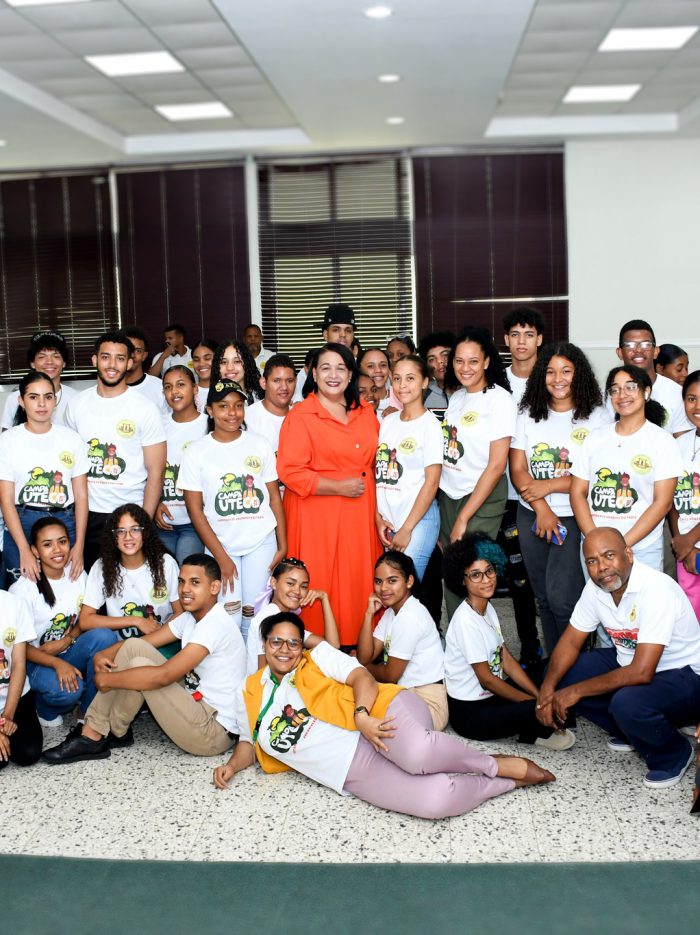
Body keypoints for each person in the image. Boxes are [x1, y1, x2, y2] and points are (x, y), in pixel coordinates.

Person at [212, 612, 555, 817]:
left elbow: (362, 677)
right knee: (435, 801)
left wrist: (362, 716)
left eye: (293, 643)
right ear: (264, 644)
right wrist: (232, 766)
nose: (285, 650)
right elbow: (249, 741)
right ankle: (505, 783)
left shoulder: (318, 658)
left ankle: (494, 765)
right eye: (276, 642)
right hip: (349, 770)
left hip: (381, 712)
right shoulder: (248, 691)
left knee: (418, 755)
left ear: (302, 647)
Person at [42, 554, 246, 764]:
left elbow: (164, 676)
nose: (185, 589)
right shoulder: (190, 618)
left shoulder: (214, 625)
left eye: (195, 583)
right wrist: (103, 654)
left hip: (213, 732)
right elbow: (143, 643)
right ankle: (111, 731)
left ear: (214, 587)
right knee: (134, 647)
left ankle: (94, 735)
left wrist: (107, 680)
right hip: (196, 703)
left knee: (142, 667)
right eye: (181, 582)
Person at [537, 527, 700, 788]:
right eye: (592, 561)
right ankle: (631, 731)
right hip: (633, 663)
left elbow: (642, 672)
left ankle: (674, 754)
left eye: (609, 555)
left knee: (626, 703)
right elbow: (570, 641)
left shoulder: (656, 589)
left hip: (685, 676)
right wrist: (547, 690)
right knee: (558, 674)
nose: (602, 567)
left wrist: (575, 692)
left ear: (629, 555)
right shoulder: (596, 589)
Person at [277, 343, 382, 648]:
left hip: (359, 512)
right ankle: (318, 648)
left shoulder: (366, 412)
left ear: (350, 374)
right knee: (320, 577)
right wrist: (338, 486)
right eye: (325, 368)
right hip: (315, 513)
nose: (333, 375)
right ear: (313, 374)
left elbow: (379, 461)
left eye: (340, 368)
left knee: (356, 580)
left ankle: (357, 648)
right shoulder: (300, 415)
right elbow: (290, 471)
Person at [511, 342, 609, 653]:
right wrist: (541, 508)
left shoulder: (597, 417)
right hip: (532, 515)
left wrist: (549, 486)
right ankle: (555, 664)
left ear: (579, 374)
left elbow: (598, 473)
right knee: (542, 596)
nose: (558, 379)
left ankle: (574, 666)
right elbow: (517, 468)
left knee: (563, 599)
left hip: (574, 515)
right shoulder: (527, 414)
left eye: (566, 371)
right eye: (551, 372)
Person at [442, 533, 575, 749]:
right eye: (476, 575)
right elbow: (488, 680)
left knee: (552, 670)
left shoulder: (487, 607)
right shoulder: (465, 621)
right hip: (471, 714)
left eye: (489, 571)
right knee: (539, 706)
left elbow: (506, 659)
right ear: (461, 580)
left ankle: (538, 721)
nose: (486, 579)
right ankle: (537, 726)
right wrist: (535, 703)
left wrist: (538, 695)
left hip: (491, 697)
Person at [179, 380, 286, 639]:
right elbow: (195, 510)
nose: (232, 412)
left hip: (261, 541)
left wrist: (283, 544)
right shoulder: (196, 451)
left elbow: (274, 498)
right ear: (209, 410)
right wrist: (221, 557)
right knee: (228, 617)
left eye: (238, 406)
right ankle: (231, 664)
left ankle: (253, 665)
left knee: (255, 615)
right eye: (223, 406)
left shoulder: (259, 444)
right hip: (221, 545)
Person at [65, 330, 166, 570]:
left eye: (120, 358)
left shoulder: (145, 408)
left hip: (130, 513)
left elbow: (156, 471)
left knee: (129, 583)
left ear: (130, 362)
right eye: (105, 357)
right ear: (95, 360)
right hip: (87, 513)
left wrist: (143, 523)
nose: (112, 365)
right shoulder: (77, 405)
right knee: (90, 582)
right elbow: (70, 465)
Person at [570, 365, 682, 572]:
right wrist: (596, 540)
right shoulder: (595, 438)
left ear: (646, 392)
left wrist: (620, 545)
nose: (622, 395)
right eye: (615, 389)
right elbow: (577, 492)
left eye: (630, 387)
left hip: (642, 548)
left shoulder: (662, 441)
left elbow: (663, 503)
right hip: (595, 549)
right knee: (599, 595)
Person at [439, 326, 516, 619]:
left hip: (482, 495)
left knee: (473, 571)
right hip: (449, 493)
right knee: (453, 572)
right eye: (459, 361)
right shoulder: (457, 398)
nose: (465, 368)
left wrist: (463, 518)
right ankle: (458, 640)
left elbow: (496, 466)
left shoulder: (499, 400)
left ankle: (478, 640)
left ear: (486, 361)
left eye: (473, 361)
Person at [10, 517, 117, 727]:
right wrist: (57, 663)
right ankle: (44, 708)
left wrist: (67, 640)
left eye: (62, 542)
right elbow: (17, 648)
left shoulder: (77, 574)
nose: (57, 550)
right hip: (34, 660)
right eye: (47, 545)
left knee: (105, 636)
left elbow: (84, 620)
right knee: (69, 691)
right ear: (34, 551)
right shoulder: (22, 590)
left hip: (68, 650)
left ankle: (88, 709)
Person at [0, 371, 89, 588]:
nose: (42, 404)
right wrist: (24, 549)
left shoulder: (71, 439)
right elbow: (6, 500)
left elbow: (81, 496)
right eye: (33, 397)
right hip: (22, 523)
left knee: (67, 588)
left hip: (65, 522)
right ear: (21, 401)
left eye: (48, 397)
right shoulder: (8, 441)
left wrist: (79, 545)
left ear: (55, 400)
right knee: (22, 590)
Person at [499, 307, 544, 666]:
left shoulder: (552, 377)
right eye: (515, 334)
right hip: (505, 494)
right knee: (518, 578)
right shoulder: (497, 381)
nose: (521, 342)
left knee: (550, 577)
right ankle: (529, 646)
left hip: (547, 494)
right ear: (506, 340)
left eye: (528, 334)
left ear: (539, 339)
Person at [357, 551, 447, 730]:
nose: (383, 588)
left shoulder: (410, 616)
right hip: (406, 695)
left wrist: (364, 667)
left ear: (409, 581)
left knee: (363, 717)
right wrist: (368, 614)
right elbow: (366, 655)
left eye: (392, 581)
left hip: (428, 705)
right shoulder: (391, 612)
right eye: (378, 581)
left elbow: (389, 675)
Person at [375, 355, 442, 580]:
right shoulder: (387, 422)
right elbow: (380, 474)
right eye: (397, 378)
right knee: (392, 589)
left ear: (425, 382)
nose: (402, 385)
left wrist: (406, 529)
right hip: (389, 520)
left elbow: (432, 482)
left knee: (404, 589)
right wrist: (378, 517)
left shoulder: (430, 426)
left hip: (417, 522)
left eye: (410, 378)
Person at [79, 503, 181, 644]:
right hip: (121, 647)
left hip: (161, 642)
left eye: (135, 529)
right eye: (121, 531)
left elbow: (180, 613)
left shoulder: (165, 563)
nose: (128, 537)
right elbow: (85, 620)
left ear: (145, 533)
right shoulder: (102, 566)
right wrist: (136, 620)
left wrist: (157, 637)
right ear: (114, 536)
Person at [245, 556, 339, 674]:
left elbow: (332, 646)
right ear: (274, 583)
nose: (297, 591)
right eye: (290, 583)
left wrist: (324, 598)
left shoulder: (285, 618)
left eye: (303, 586)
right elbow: (263, 673)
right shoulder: (267, 617)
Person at [157, 366, 208, 564]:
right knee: (163, 576)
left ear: (195, 389)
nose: (174, 391)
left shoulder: (209, 424)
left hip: (196, 522)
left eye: (180, 385)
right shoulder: (158, 424)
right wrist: (154, 504)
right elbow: (146, 468)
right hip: (163, 521)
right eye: (168, 387)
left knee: (189, 571)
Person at [615, 320, 689, 433]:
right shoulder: (610, 395)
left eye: (646, 344)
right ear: (620, 353)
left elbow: (682, 441)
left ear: (656, 351)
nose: (638, 350)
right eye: (630, 345)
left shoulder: (677, 394)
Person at [1, 330, 79, 431]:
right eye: (42, 357)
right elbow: (6, 437)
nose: (49, 362)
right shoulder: (15, 399)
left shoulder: (76, 398)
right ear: (32, 363)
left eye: (56, 356)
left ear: (64, 363)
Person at [0, 589, 42, 771]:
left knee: (28, 753)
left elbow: (18, 664)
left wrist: (7, 716)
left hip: (14, 696)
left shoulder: (15, 603)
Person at [670, 370, 700, 618]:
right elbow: (670, 499)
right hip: (686, 549)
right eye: (691, 399)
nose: (697, 406)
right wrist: (682, 542)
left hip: (692, 540)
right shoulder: (677, 445)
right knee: (690, 617)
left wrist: (691, 539)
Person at [245, 354, 297, 454]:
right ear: (263, 383)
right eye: (277, 381)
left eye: (289, 381)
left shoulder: (301, 417)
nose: (284, 387)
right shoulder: (247, 418)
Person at [122, 326, 169, 416]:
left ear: (144, 356)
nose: (132, 355)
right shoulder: (108, 390)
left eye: (138, 351)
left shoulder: (160, 388)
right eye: (128, 349)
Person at [211, 339, 263, 405]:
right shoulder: (212, 399)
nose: (230, 368)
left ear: (247, 364)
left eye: (237, 361)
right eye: (223, 362)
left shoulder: (260, 399)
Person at [418, 331, 454, 417]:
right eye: (432, 359)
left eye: (445, 355)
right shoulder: (422, 394)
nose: (440, 361)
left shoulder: (470, 390)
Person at [357, 347, 392, 416]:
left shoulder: (402, 397)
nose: (378, 370)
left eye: (383, 365)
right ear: (359, 369)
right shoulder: (353, 402)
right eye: (370, 366)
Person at [191, 339, 217, 413]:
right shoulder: (189, 392)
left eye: (207, 358)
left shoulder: (228, 389)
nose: (201, 364)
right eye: (196, 360)